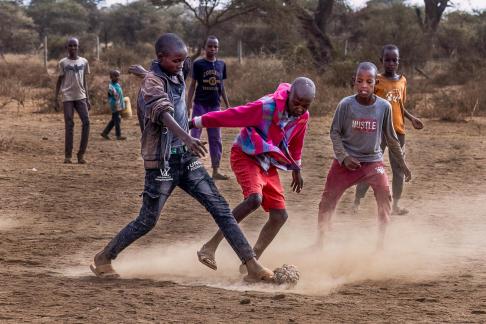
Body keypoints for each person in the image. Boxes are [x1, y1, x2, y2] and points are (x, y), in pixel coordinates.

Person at [90, 33, 274, 283]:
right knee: (147, 220)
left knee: (220, 208)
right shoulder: (152, 84)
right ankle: (104, 258)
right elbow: (164, 112)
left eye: (183, 61)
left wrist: (147, 72)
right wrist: (187, 137)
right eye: (176, 61)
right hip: (163, 164)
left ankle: (251, 264)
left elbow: (163, 77)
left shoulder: (169, 73)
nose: (181, 66)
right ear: (161, 58)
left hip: (187, 160)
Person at [191, 77, 315, 272]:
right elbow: (230, 115)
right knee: (254, 199)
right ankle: (209, 247)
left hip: (268, 162)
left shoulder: (303, 116)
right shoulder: (266, 107)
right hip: (245, 155)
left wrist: (296, 168)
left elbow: (297, 141)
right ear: (289, 95)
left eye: (305, 105)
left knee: (280, 216)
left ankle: (251, 262)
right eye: (296, 103)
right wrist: (195, 122)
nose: (300, 108)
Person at [316, 62, 412, 250]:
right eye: (360, 81)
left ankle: (380, 244)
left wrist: (402, 164)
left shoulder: (384, 107)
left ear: (376, 83)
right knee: (327, 201)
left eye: (369, 81)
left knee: (385, 195)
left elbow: (392, 139)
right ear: (354, 82)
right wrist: (343, 157)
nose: (364, 85)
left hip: (372, 162)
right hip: (346, 163)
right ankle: (321, 242)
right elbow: (334, 132)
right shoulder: (346, 105)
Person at [354, 44, 423, 215]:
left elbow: (399, 105)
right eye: (387, 60)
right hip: (377, 131)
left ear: (399, 61)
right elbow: (365, 100)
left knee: (398, 168)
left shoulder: (402, 81)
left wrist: (411, 118)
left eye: (394, 60)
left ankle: (396, 205)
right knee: (369, 167)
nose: (391, 63)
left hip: (398, 131)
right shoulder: (375, 80)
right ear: (381, 61)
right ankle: (356, 202)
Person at [187, 36, 230, 180]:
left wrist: (228, 105)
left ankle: (215, 170)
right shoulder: (199, 64)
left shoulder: (221, 65)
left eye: (215, 46)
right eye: (210, 46)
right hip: (200, 105)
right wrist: (188, 105)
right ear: (205, 47)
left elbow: (221, 87)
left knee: (215, 138)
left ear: (218, 48)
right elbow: (193, 85)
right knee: (194, 136)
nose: (212, 49)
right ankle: (189, 169)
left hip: (215, 107)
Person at [54, 37, 91, 164]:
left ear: (78, 47)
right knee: (69, 124)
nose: (73, 48)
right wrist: (56, 98)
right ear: (67, 47)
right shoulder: (63, 63)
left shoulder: (84, 62)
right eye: (70, 46)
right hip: (67, 97)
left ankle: (81, 154)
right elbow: (59, 80)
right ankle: (68, 155)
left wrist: (88, 98)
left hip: (81, 96)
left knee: (86, 122)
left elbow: (84, 81)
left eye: (75, 45)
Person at [101, 69, 127, 141]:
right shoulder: (111, 87)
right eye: (115, 76)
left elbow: (119, 95)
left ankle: (105, 133)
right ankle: (118, 135)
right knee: (117, 120)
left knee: (114, 120)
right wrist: (119, 106)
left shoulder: (117, 84)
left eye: (118, 75)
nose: (117, 77)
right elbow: (116, 97)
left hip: (118, 104)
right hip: (115, 105)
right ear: (111, 77)